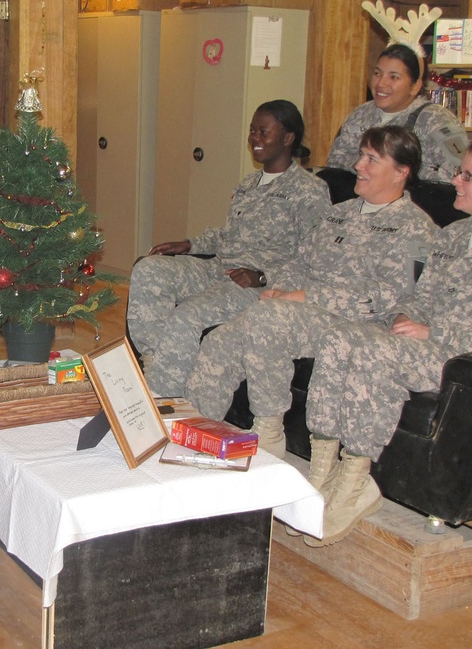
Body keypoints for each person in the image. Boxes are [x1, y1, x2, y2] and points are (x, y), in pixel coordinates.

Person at [300, 140, 472, 547]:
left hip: (460, 359)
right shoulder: (451, 237)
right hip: (419, 343)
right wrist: (405, 316)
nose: (455, 180)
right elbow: (417, 295)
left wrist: (436, 334)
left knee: (372, 353)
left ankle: (356, 482)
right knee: (340, 337)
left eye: (467, 175)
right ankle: (322, 469)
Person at [185, 126, 438, 458]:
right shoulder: (339, 213)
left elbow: (391, 296)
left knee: (271, 317)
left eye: (372, 159)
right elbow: (300, 263)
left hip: (353, 325)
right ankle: (197, 438)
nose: (358, 165)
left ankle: (269, 430)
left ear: (400, 172)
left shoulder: (416, 229)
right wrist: (278, 288)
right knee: (221, 339)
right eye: (361, 155)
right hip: (298, 314)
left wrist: (305, 297)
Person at [127, 100, 329, 397]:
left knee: (187, 316)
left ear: (288, 138)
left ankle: (163, 401)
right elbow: (229, 236)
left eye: (264, 132)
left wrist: (263, 276)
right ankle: (156, 365)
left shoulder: (309, 190)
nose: (255, 139)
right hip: (219, 268)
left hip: (252, 285)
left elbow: (316, 258)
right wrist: (190, 244)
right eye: (252, 131)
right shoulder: (250, 183)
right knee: (149, 269)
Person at [327, 43, 468, 183]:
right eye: (377, 74)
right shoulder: (361, 114)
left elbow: (460, 175)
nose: (381, 83)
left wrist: (395, 171)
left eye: (394, 77)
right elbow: (334, 163)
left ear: (415, 86)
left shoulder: (437, 120)